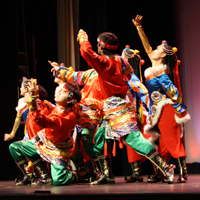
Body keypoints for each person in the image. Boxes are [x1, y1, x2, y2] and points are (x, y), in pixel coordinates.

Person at [76, 29, 175, 184]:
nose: (97, 48)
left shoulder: (105, 64)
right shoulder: (120, 61)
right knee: (99, 140)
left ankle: (165, 168)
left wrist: (83, 39)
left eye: (98, 45)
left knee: (134, 140)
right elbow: (128, 73)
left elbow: (87, 53)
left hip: (117, 107)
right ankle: (105, 174)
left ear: (101, 47)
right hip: (107, 108)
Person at [132, 15, 190, 183]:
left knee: (171, 139)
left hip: (166, 109)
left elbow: (174, 92)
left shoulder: (163, 74)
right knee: (158, 141)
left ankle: (183, 172)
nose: (153, 50)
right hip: (155, 109)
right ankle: (160, 172)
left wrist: (180, 110)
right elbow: (147, 46)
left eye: (157, 49)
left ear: (164, 54)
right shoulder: (154, 65)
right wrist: (138, 27)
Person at [8, 81, 54, 185]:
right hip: (32, 139)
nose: (25, 94)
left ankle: (45, 175)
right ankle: (29, 175)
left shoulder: (43, 106)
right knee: (13, 147)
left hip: (44, 142)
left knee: (26, 145)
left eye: (29, 93)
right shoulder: (27, 107)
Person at [4, 77, 31, 141]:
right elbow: (18, 118)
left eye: (21, 87)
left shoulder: (35, 101)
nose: (20, 89)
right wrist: (12, 133)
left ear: (26, 89)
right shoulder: (21, 101)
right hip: (27, 130)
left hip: (36, 130)